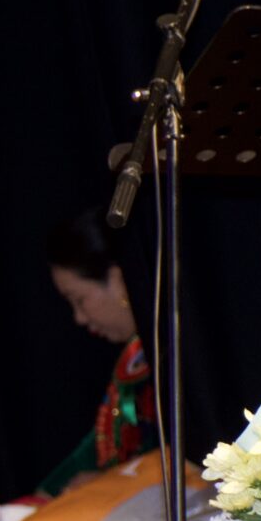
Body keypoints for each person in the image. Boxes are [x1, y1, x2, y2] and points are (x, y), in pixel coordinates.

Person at [41, 207, 156, 495]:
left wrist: (113, 483)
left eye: (79, 300)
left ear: (118, 280)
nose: (79, 318)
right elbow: (90, 452)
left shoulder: (175, 356)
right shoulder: (134, 360)